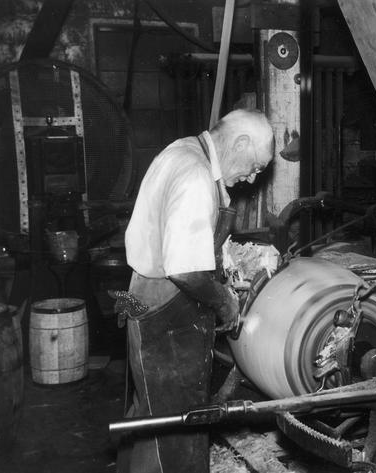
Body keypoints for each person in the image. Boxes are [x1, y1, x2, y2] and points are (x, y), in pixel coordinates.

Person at [118, 108, 274, 473]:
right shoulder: (195, 175)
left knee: (151, 412)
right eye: (254, 166)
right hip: (166, 310)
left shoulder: (183, 150)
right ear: (240, 142)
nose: (252, 179)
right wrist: (225, 302)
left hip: (145, 297)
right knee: (180, 427)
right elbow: (186, 270)